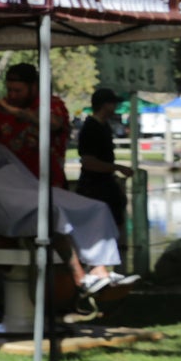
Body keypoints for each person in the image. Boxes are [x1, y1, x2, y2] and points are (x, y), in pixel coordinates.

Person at [0, 101, 137, 296]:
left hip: (25, 194)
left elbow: (22, 180)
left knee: (96, 207)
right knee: (51, 211)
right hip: (3, 206)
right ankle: (81, 279)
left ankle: (99, 270)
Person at [0, 62, 70, 188]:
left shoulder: (50, 104)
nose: (12, 95)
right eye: (9, 90)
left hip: (48, 184)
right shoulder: (2, 107)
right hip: (12, 183)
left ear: (33, 87)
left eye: (18, 91)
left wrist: (16, 112)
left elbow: (53, 124)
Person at [74, 86, 134, 245]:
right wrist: (118, 168)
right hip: (94, 187)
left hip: (106, 184)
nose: (115, 107)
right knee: (95, 228)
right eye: (113, 104)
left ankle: (113, 259)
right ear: (104, 105)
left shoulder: (104, 126)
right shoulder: (90, 128)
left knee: (117, 218)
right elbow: (88, 162)